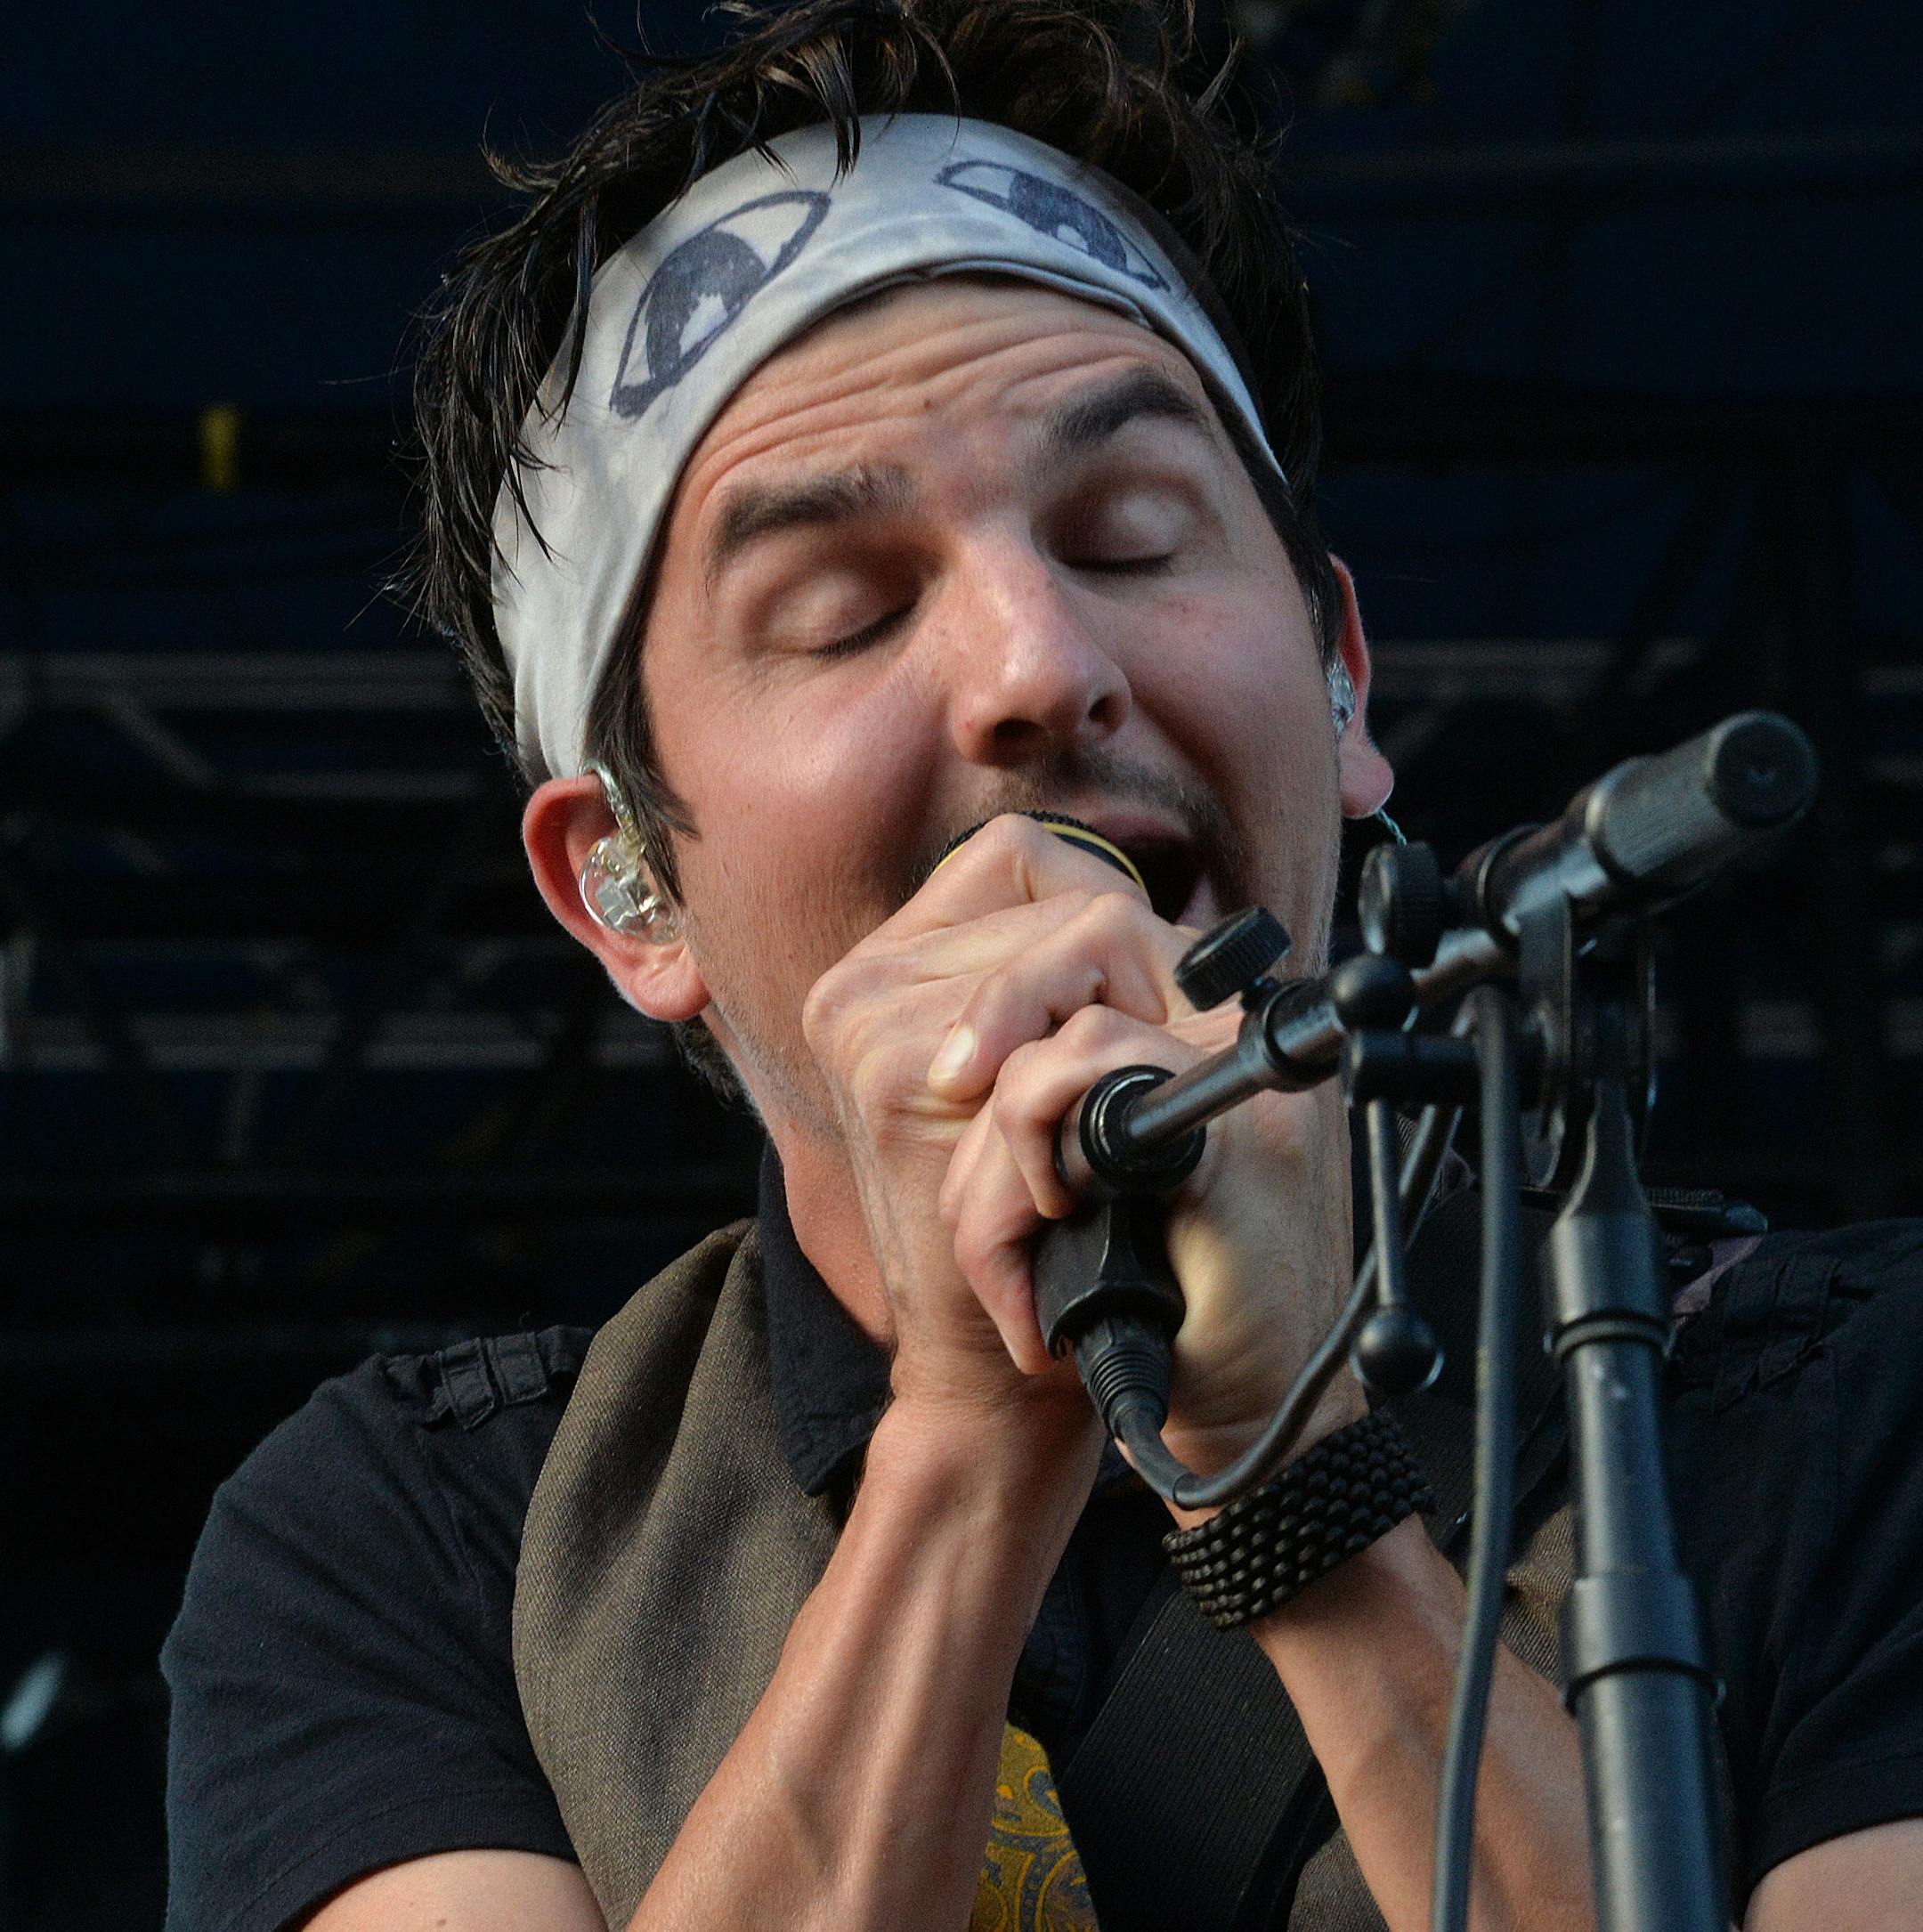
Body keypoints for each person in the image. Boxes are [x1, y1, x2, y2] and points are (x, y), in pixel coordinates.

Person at [160, 4, 1923, 1928]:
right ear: (626, 885)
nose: (1033, 666)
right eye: (845, 611)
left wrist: (1291, 1485)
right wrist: (967, 1431)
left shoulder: (1830, 1405)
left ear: (1343, 682)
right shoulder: (418, 1544)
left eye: (1134, 532)